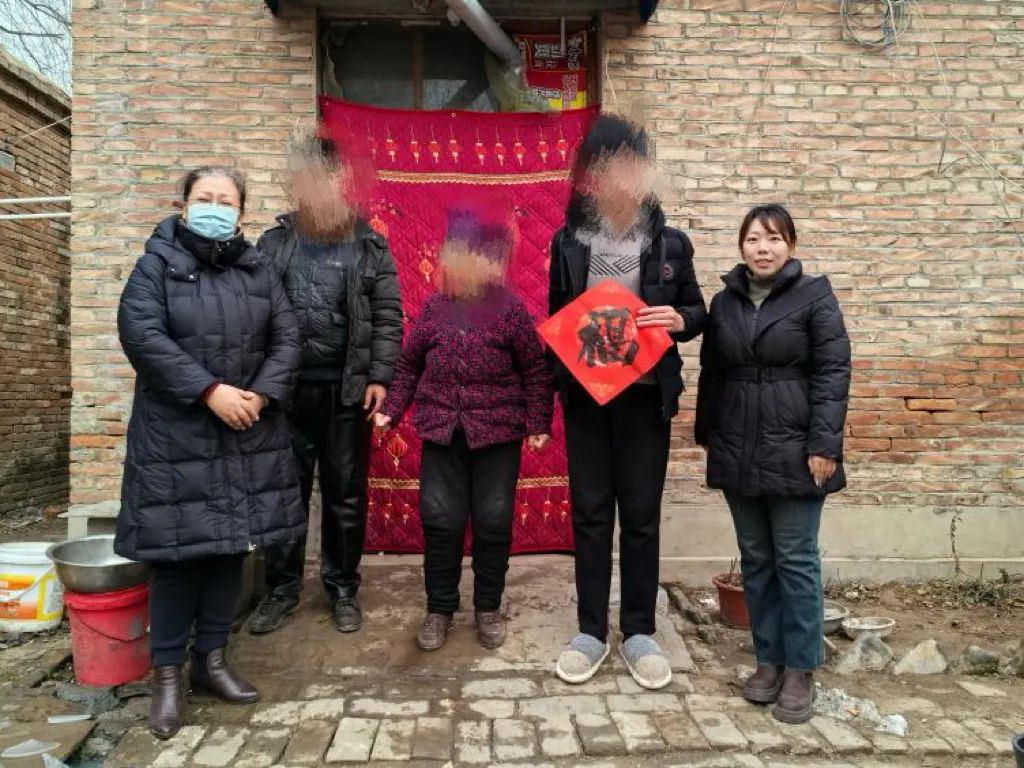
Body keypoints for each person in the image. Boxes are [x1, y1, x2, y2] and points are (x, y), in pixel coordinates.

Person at [116, 167, 305, 739]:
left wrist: (261, 394)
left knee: (229, 549)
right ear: (183, 205)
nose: (215, 208)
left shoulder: (258, 267)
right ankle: (167, 677)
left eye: (226, 201)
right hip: (177, 434)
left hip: (247, 427)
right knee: (177, 557)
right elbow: (141, 334)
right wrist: (208, 391)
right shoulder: (156, 264)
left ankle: (212, 661)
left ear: (241, 212)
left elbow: (288, 337)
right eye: (205, 198)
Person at [548, 115, 706, 690]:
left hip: (645, 398)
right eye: (606, 165)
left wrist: (679, 319)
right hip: (587, 399)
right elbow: (557, 315)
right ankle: (591, 631)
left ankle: (639, 632)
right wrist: (554, 389)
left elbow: (697, 312)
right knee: (591, 515)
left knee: (640, 515)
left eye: (630, 164)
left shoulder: (670, 242)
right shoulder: (568, 241)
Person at [695, 204, 851, 724]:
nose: (763, 248)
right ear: (741, 246)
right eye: (754, 239)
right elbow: (713, 373)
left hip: (797, 448)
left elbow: (833, 372)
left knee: (796, 558)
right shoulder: (724, 302)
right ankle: (769, 659)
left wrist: (824, 445)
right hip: (738, 445)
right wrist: (708, 435)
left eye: (774, 238)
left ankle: (802, 667)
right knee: (756, 559)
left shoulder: (815, 297)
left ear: (791, 245)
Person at [375, 207, 553, 652]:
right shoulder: (435, 308)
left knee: (493, 520)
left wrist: (538, 422)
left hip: (498, 433)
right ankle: (439, 608)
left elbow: (535, 370)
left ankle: (488, 607)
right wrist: (392, 410)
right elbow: (409, 365)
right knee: (441, 520)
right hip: (441, 431)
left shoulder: (510, 310)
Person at [248, 132, 403, 635]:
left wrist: (379, 376)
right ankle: (281, 590)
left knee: (345, 495)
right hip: (283, 395)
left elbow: (388, 315)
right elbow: (252, 314)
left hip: (345, 391)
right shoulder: (273, 244)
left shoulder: (368, 244)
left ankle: (342, 589)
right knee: (283, 493)